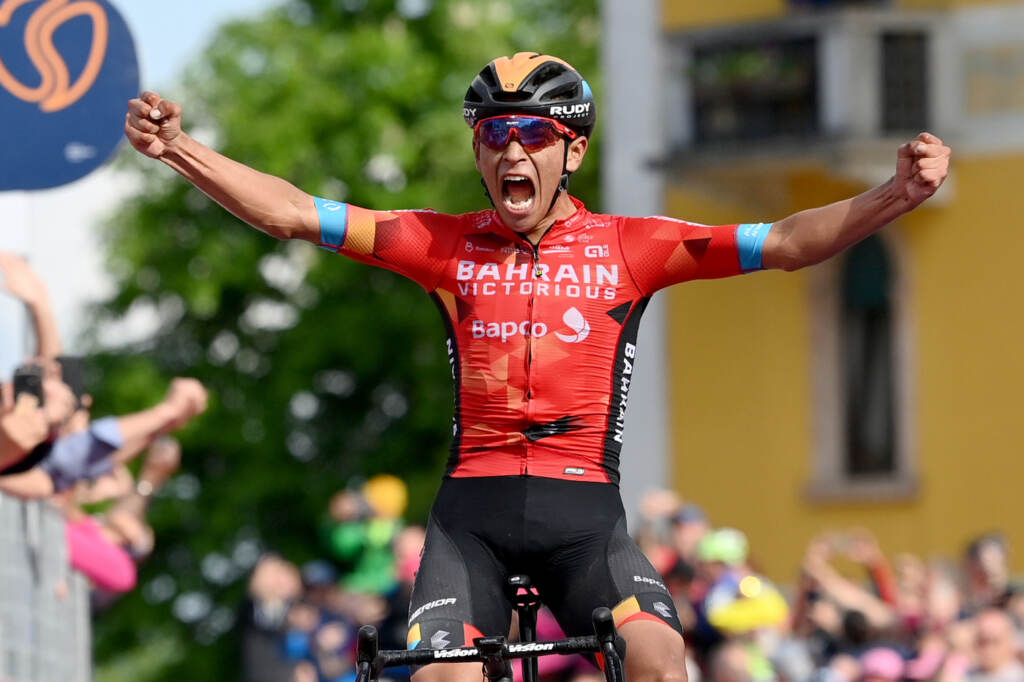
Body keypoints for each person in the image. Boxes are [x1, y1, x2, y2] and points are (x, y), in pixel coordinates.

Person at [124, 52, 951, 682]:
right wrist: (178, 149)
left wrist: (895, 194)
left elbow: (788, 243)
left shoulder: (632, 247)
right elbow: (294, 214)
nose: (510, 150)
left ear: (573, 149)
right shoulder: (440, 244)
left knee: (660, 660)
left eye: (532, 134)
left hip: (584, 520)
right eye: (493, 134)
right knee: (444, 678)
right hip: (470, 522)